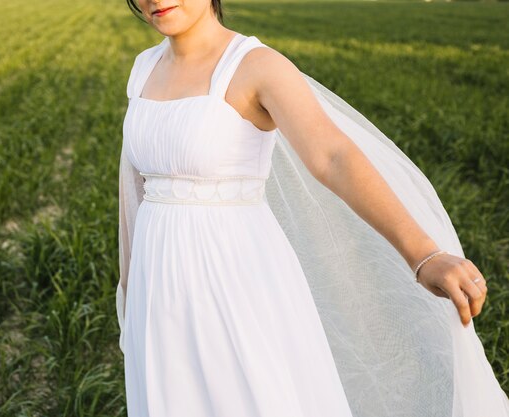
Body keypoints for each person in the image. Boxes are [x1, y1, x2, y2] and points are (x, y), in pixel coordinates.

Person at [117, 0, 509, 415]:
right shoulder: (144, 67)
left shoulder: (255, 66)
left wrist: (423, 254)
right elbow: (135, 186)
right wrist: (130, 288)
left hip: (234, 283)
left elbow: (333, 157)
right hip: (157, 286)